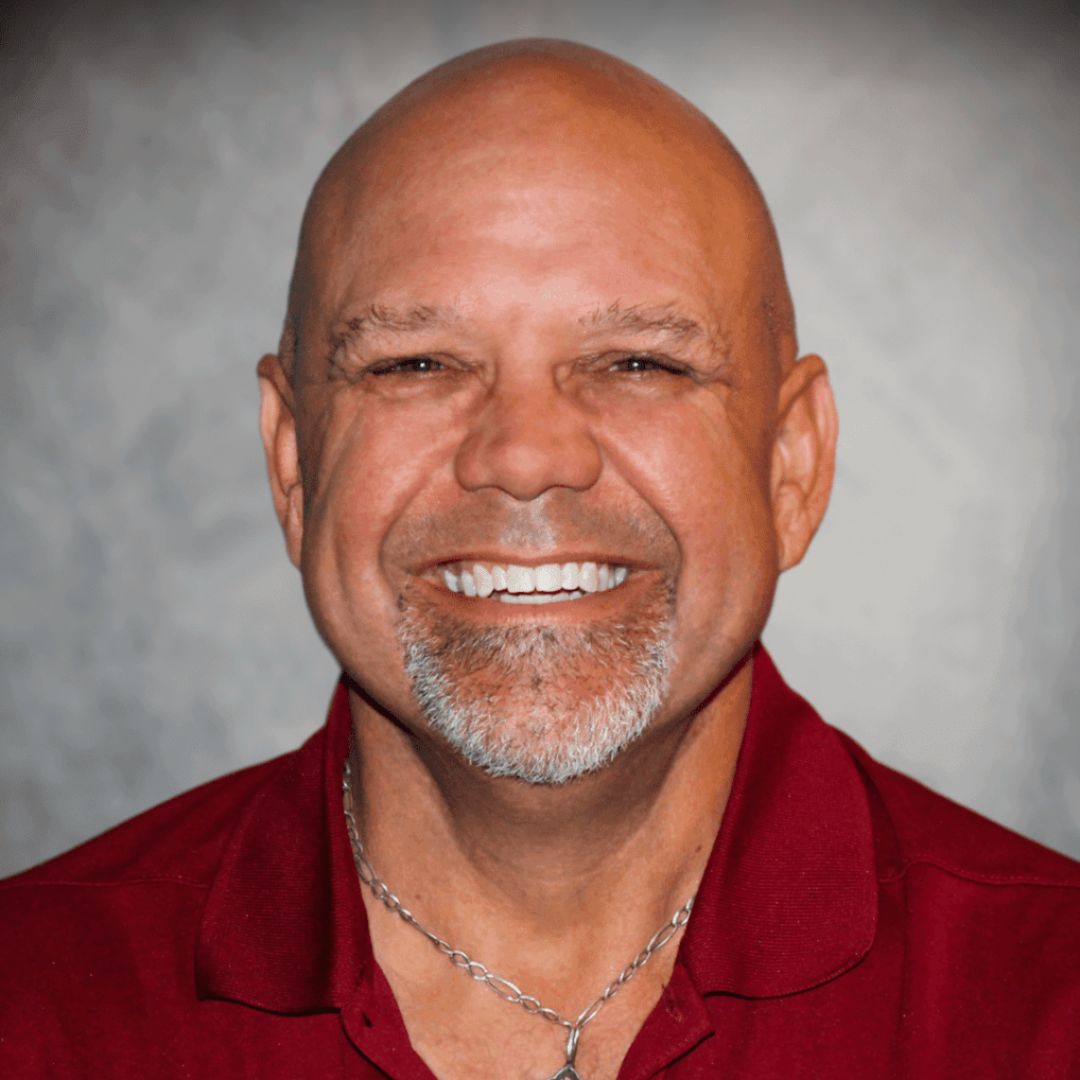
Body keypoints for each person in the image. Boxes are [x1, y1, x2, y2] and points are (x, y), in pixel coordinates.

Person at [1, 39, 1077, 1080]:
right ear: (292, 465)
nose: (523, 456)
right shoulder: (34, 1004)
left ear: (791, 466)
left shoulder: (1051, 1009)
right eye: (415, 362)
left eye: (640, 362)